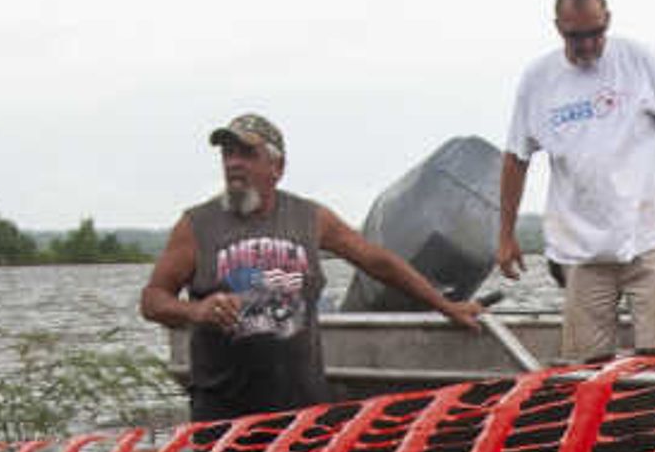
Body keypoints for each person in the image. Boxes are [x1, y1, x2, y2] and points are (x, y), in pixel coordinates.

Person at [140, 114, 491, 425]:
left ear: (277, 167)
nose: (234, 163)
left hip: (300, 410)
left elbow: (377, 261)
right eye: (227, 154)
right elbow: (153, 300)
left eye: (247, 154)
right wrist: (196, 310)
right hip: (222, 412)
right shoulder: (196, 225)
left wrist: (445, 306)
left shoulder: (310, 218)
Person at [492, 0, 655, 362]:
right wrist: (505, 235)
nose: (586, 45)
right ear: (558, 28)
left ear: (608, 21)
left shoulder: (641, 60)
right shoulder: (537, 79)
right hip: (579, 249)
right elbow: (516, 158)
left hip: (646, 237)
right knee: (587, 366)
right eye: (574, 36)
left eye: (595, 33)